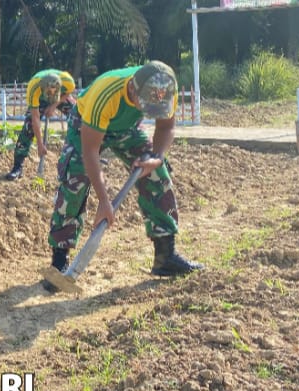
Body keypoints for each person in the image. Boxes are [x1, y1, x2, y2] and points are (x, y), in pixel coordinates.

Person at [43, 60, 202, 292]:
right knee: (75, 181)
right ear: (132, 91)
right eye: (145, 107)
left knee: (156, 174)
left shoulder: (165, 88)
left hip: (127, 128)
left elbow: (166, 128)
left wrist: (156, 158)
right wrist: (104, 202)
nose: (149, 112)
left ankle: (165, 256)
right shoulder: (106, 94)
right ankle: (59, 263)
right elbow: (90, 152)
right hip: (85, 124)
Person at [5, 69, 76, 180]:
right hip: (40, 99)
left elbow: (68, 92)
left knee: (77, 115)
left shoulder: (68, 81)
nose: (50, 94)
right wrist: (40, 143)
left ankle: (77, 160)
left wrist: (53, 106)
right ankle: (17, 167)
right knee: (29, 126)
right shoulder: (33, 88)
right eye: (48, 92)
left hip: (60, 97)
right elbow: (35, 118)